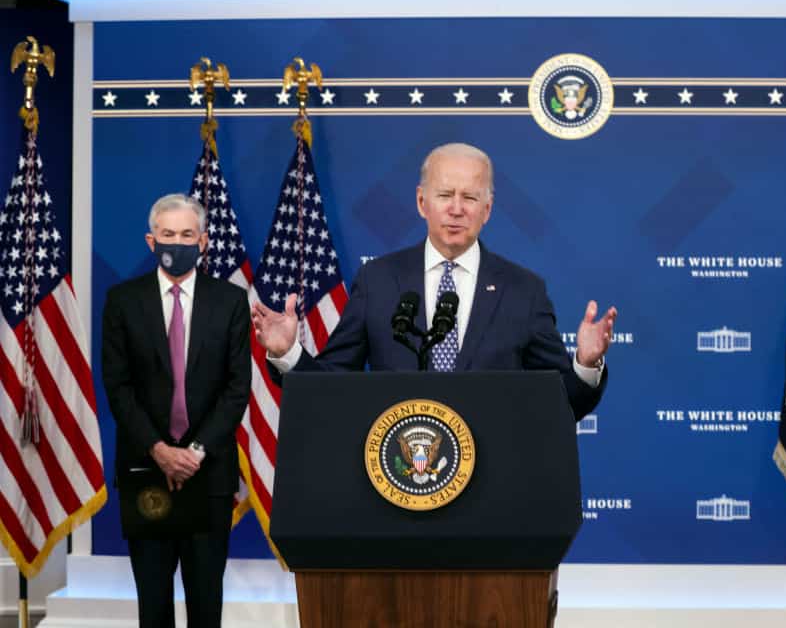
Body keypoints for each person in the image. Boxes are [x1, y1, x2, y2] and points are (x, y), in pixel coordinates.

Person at [252, 142, 616, 420]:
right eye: (445, 195)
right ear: (421, 202)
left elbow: (565, 402)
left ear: (486, 210)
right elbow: (329, 386)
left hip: (493, 488)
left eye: (470, 197)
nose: (456, 208)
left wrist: (585, 363)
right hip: (397, 479)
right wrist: (288, 353)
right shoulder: (378, 280)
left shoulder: (524, 291)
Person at [102, 194, 251, 628]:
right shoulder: (123, 301)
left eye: (187, 234)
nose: (177, 242)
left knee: (207, 604)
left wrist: (195, 452)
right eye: (168, 234)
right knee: (153, 606)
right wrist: (159, 450)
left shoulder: (229, 301)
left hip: (209, 475)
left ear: (203, 242)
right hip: (145, 471)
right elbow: (118, 386)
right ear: (151, 241)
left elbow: (236, 389)